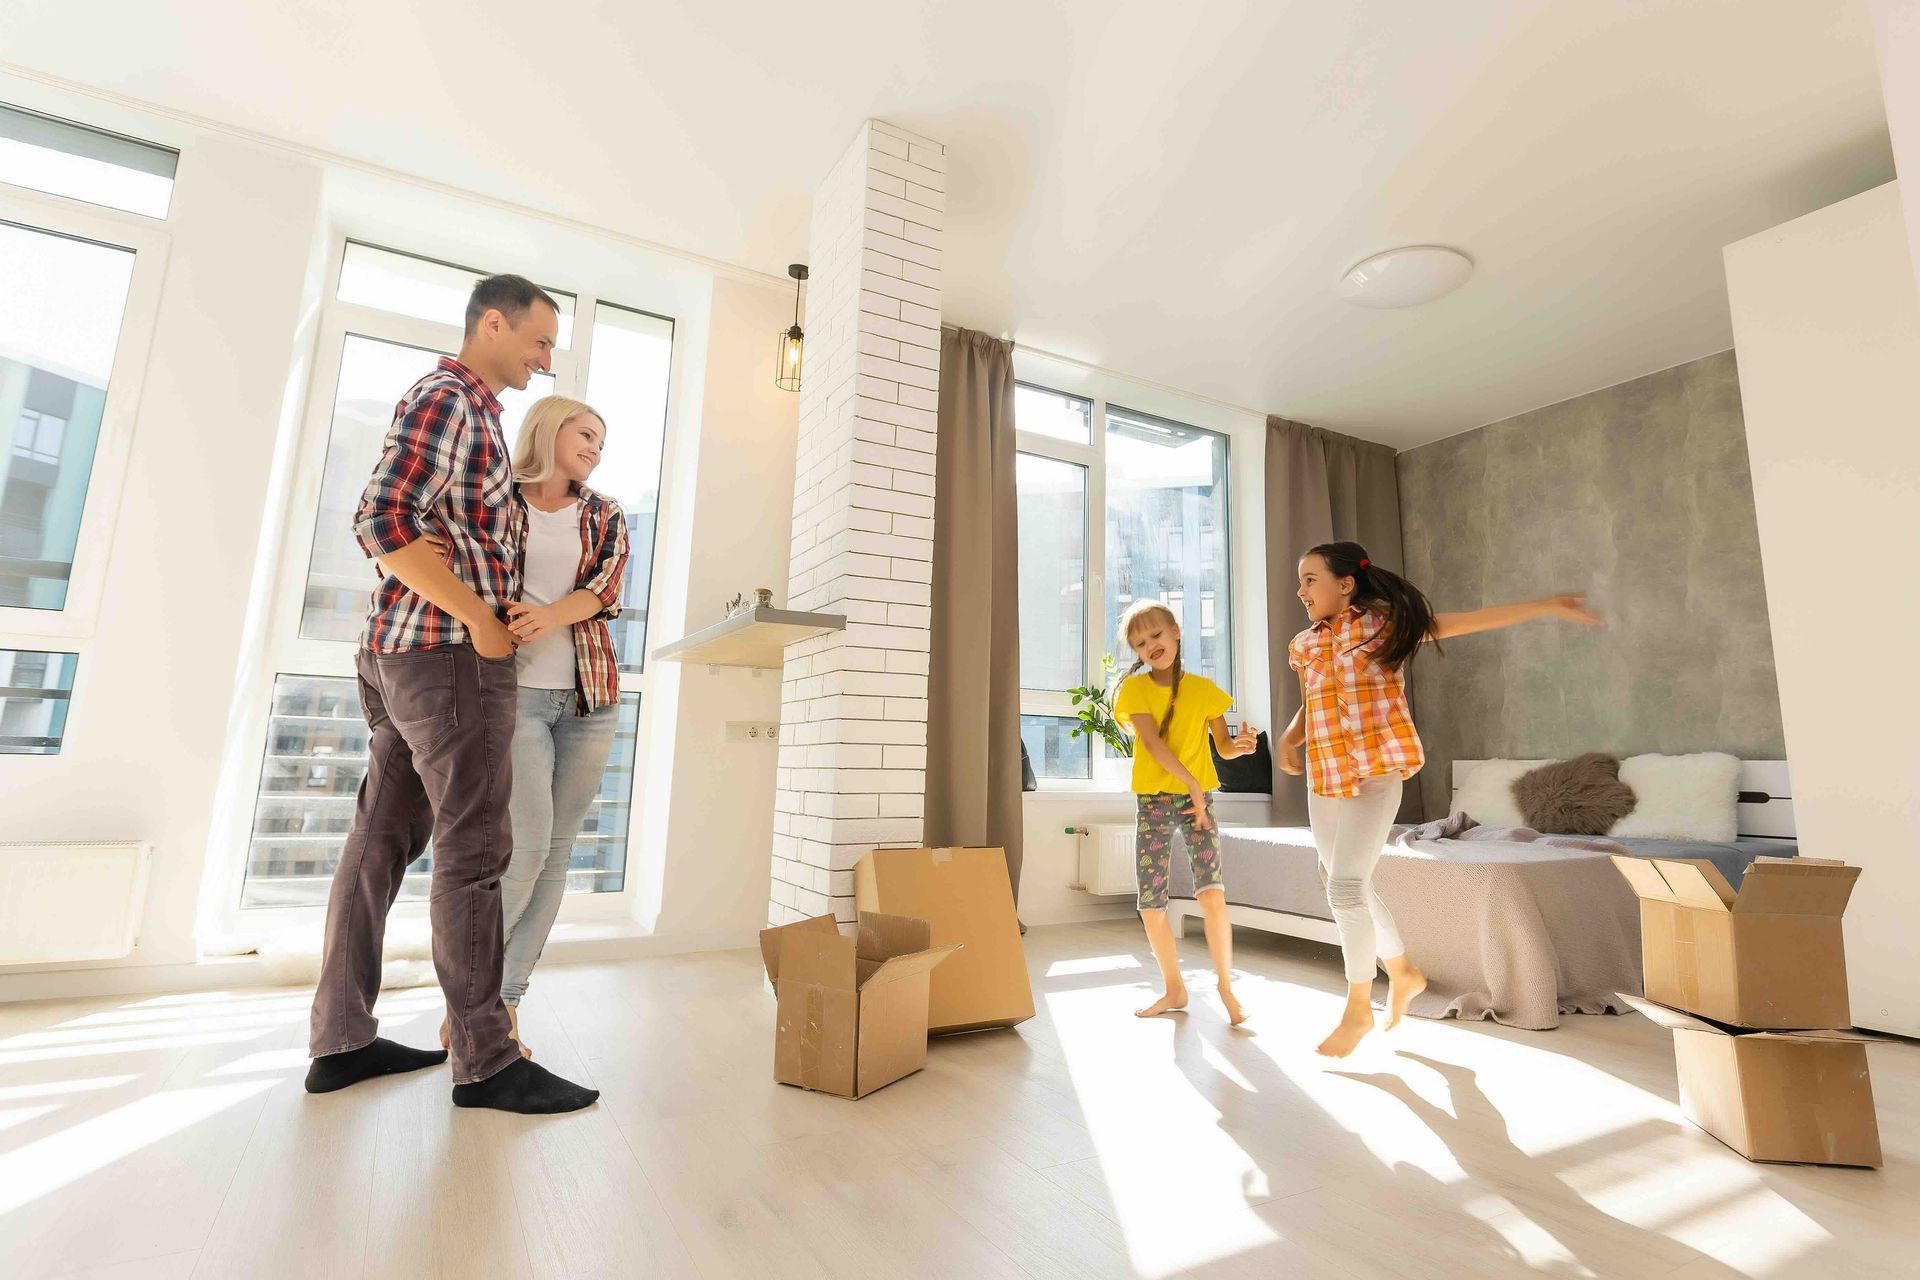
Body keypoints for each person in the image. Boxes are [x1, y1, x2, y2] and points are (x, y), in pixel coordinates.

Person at [305, 274, 598, 1114]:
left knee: (378, 846)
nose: (546, 360)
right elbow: (382, 521)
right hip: (445, 659)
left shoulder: (469, 413)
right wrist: (478, 617)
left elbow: (440, 532)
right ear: (493, 324)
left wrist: (487, 593)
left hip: (403, 654)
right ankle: (486, 1059)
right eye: (539, 341)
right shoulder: (452, 399)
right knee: (476, 852)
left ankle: (340, 1039)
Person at [1278, 541, 1601, 1058]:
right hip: (1326, 777)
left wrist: (1546, 605)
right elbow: (1309, 705)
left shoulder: (1387, 625)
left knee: (1343, 888)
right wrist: (1288, 740)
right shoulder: (1305, 644)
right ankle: (1403, 972)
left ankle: (1359, 1006)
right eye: (1301, 581)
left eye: (1310, 579)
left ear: (1345, 584)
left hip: (1377, 773)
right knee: (1340, 882)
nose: (1301, 590)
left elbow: (1470, 620)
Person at [431, 395, 629, 1058]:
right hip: (510, 696)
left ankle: (503, 1007)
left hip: (588, 701)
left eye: (602, 441)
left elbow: (606, 589)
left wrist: (549, 617)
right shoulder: (496, 500)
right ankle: (467, 1003)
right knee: (527, 847)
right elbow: (448, 560)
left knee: (557, 852)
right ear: (549, 427)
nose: (596, 447)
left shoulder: (604, 513)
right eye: (586, 433)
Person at [1113, 600, 1261, 1025]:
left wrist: (1242, 747)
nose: (1151, 646)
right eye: (1141, 644)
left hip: (1199, 801)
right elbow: (1155, 747)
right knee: (1150, 903)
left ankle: (1226, 989)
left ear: (1176, 632)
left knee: (1212, 892)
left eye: (1157, 635)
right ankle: (1174, 989)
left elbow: (1223, 746)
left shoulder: (1205, 691)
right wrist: (1193, 784)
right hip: (1155, 801)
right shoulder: (1135, 690)